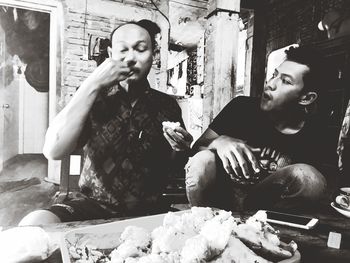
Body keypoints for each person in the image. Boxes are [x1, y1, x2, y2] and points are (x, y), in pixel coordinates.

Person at [19, 19, 192, 225]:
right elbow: (53, 151)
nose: (130, 58)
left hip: (150, 210)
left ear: (153, 56)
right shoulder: (92, 97)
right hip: (92, 205)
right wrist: (92, 83)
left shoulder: (167, 105)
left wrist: (181, 149)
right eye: (122, 50)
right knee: (34, 223)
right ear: (110, 54)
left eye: (140, 49)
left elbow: (174, 166)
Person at [170, 46, 329, 211]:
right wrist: (218, 141)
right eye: (274, 75)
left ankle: (268, 229)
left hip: (265, 208)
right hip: (218, 203)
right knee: (202, 160)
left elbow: (314, 189)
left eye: (286, 81)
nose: (270, 84)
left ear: (306, 98)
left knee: (310, 178)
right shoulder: (241, 108)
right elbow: (196, 149)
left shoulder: (315, 133)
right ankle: (202, 222)